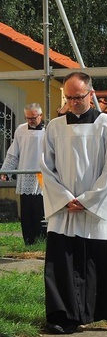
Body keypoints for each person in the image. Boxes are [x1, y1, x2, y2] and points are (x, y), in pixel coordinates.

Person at [40, 72, 107, 334]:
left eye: (78, 97)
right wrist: (66, 198)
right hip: (65, 206)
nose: (73, 102)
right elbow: (46, 167)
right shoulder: (55, 127)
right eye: (68, 98)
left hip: (99, 207)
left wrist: (89, 200)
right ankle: (63, 316)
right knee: (63, 261)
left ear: (91, 94)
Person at [1, 103, 46, 245]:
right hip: (25, 174)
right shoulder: (20, 130)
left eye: (33, 118)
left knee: (41, 209)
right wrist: (6, 171)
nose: (30, 121)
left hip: (42, 176)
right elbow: (13, 152)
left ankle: (42, 240)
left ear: (41, 115)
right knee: (27, 211)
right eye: (28, 118)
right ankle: (29, 240)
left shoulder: (49, 129)